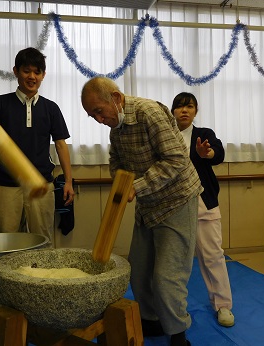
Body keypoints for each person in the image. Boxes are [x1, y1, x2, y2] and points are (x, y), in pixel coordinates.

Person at [81, 76, 203, 346]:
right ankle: (151, 320)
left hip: (177, 200)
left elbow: (176, 158)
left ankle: (178, 332)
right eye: (92, 116)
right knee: (138, 269)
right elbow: (117, 161)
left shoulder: (148, 112)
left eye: (99, 111)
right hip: (149, 204)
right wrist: (120, 184)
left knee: (167, 276)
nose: (99, 119)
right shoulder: (116, 128)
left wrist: (137, 186)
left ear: (115, 98)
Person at [0, 47, 74, 246]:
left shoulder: (51, 108)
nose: (32, 76)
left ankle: (42, 278)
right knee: (5, 242)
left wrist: (68, 181)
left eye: (37, 72)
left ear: (43, 75)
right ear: (16, 71)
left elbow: (60, 145)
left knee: (42, 241)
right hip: (6, 185)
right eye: (26, 71)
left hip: (41, 185)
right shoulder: (0, 104)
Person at [171, 92, 235, 327]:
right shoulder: (165, 134)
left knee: (213, 256)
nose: (184, 110)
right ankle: (174, 309)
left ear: (196, 111)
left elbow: (217, 153)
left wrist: (205, 153)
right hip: (173, 205)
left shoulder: (203, 134)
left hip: (202, 202)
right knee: (174, 261)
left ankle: (223, 306)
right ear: (173, 111)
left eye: (189, 107)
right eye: (179, 107)